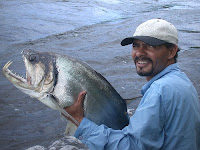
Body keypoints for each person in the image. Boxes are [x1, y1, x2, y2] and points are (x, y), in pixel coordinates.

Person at [63, 19, 200, 150]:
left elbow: (131, 146)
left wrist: (80, 120)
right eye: (136, 45)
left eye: (150, 46)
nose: (139, 53)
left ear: (171, 51)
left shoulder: (160, 91)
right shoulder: (181, 80)